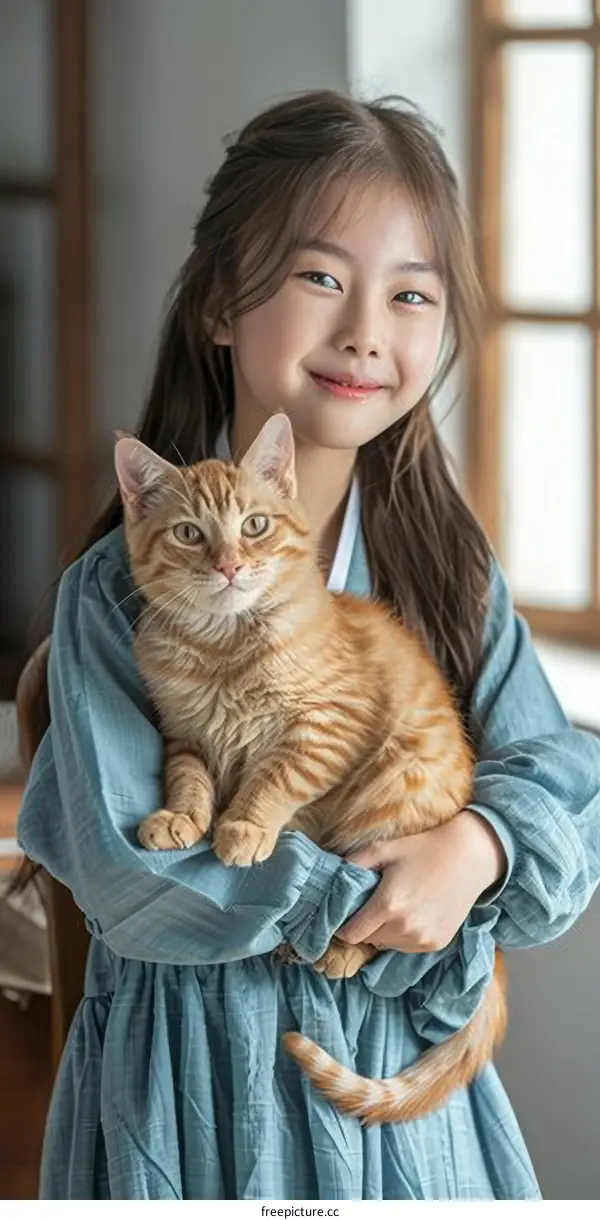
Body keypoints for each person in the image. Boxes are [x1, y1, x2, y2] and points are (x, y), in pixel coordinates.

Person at [17, 90, 600, 1201]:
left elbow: (572, 782)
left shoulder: (451, 569)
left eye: (411, 293)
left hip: (405, 1095)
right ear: (219, 303)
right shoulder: (114, 593)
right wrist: (378, 900)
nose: (366, 331)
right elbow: (140, 879)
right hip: (193, 1083)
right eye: (321, 277)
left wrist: (478, 847)